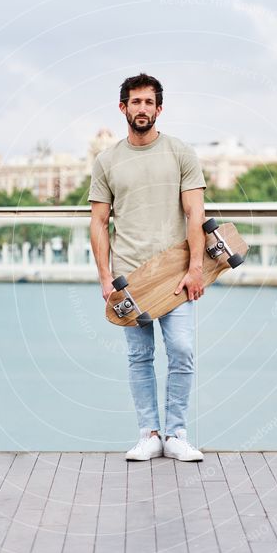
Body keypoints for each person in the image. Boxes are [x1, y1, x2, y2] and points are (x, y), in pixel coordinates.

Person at [89, 73, 206, 462]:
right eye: (135, 102)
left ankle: (176, 433)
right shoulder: (107, 161)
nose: (142, 108)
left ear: (159, 108)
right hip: (129, 277)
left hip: (174, 274)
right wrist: (106, 278)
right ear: (123, 108)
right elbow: (99, 223)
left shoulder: (180, 153)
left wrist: (196, 268)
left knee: (182, 350)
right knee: (139, 357)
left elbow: (195, 213)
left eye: (148, 102)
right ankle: (149, 433)